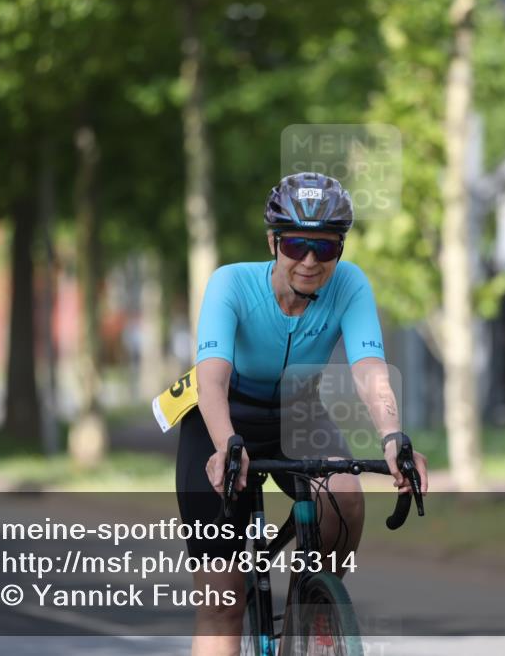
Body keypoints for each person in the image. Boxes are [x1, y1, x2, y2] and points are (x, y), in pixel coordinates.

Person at [176, 172, 429, 655]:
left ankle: (313, 614)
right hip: (222, 418)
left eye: (325, 247)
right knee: (222, 603)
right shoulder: (229, 283)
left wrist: (393, 436)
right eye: (295, 244)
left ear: (340, 248)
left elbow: (370, 369)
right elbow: (211, 379)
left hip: (298, 414)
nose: (310, 261)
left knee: (346, 495)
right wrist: (227, 445)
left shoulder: (350, 285)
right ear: (273, 241)